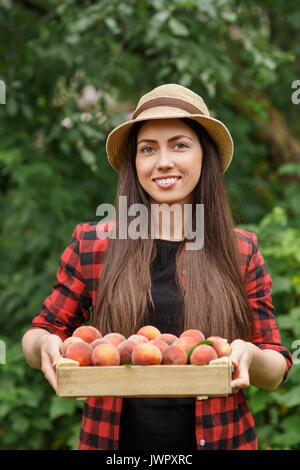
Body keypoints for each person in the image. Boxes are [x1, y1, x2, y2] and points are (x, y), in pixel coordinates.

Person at [22, 83, 292, 450]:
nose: (163, 161)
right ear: (135, 163)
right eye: (148, 149)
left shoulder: (240, 250)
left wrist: (251, 354)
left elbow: (275, 369)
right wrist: (46, 345)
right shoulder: (94, 244)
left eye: (180, 144)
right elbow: (39, 333)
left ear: (204, 156)